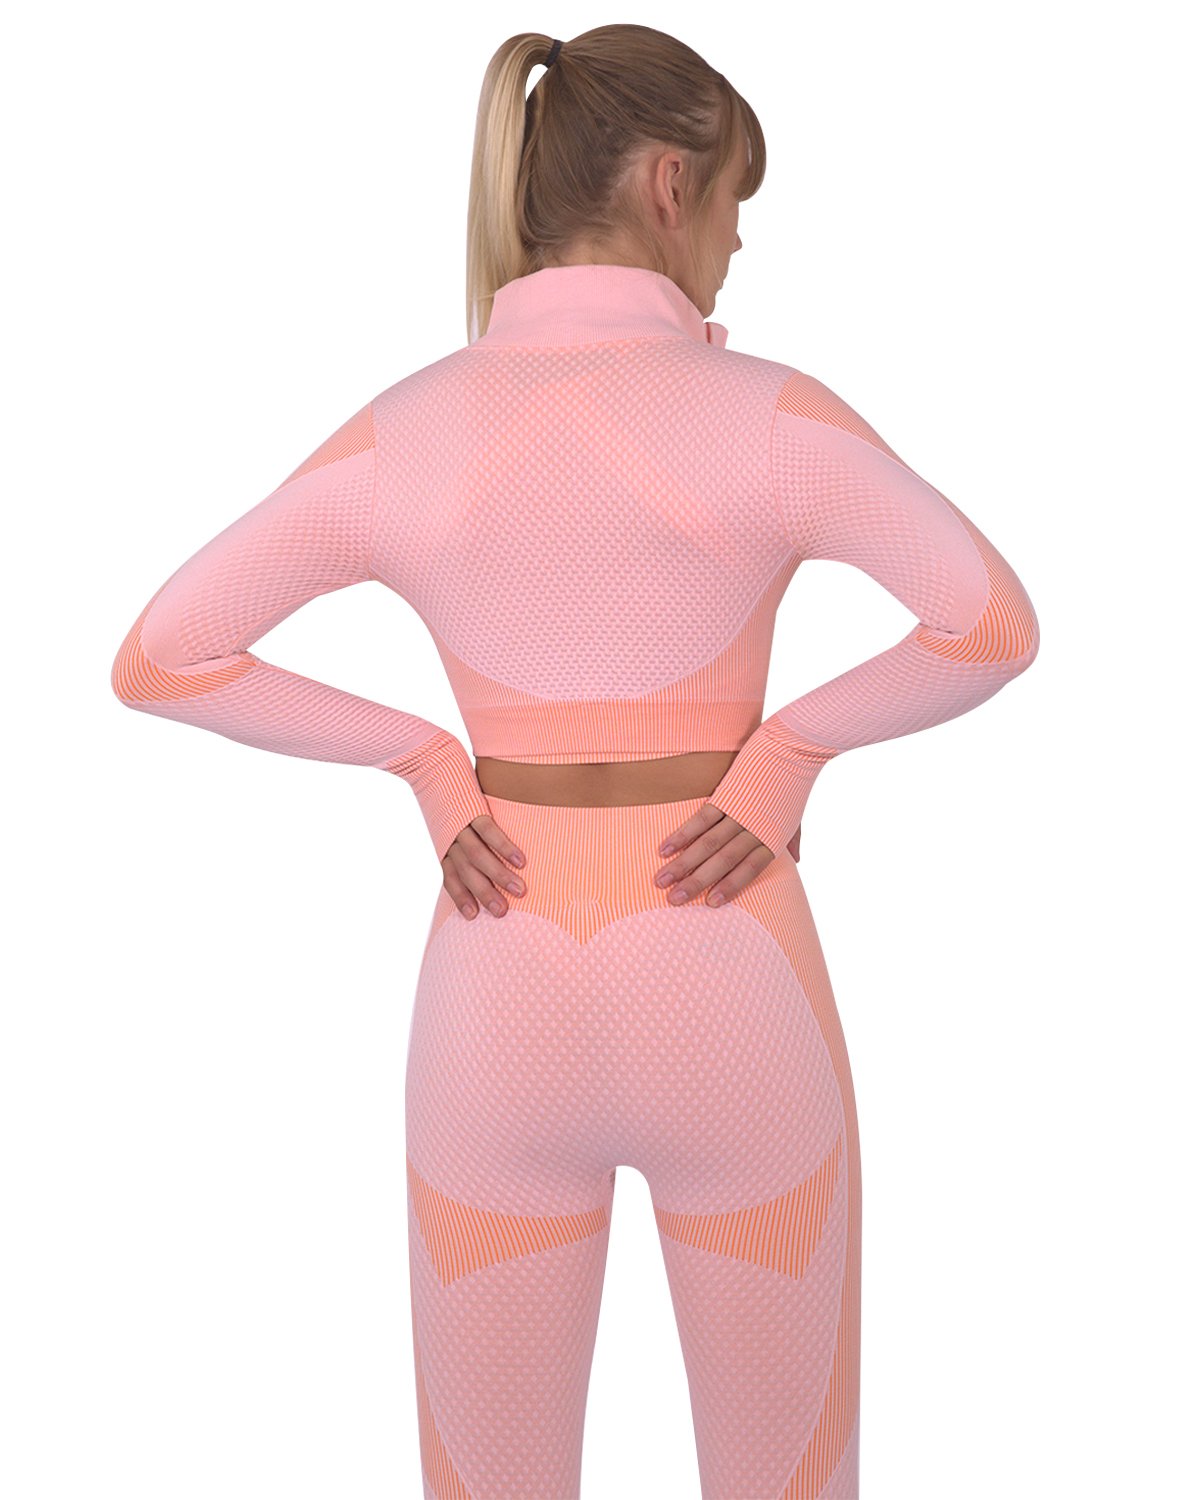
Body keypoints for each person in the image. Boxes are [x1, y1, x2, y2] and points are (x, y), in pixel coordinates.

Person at [110, 23, 1040, 1500]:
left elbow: (162, 654)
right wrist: (786, 758)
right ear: (672, 184)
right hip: (731, 971)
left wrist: (427, 763)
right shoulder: (772, 417)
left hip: (498, 980)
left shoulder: (409, 427)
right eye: (736, 202)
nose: (738, 246)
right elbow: (990, 623)